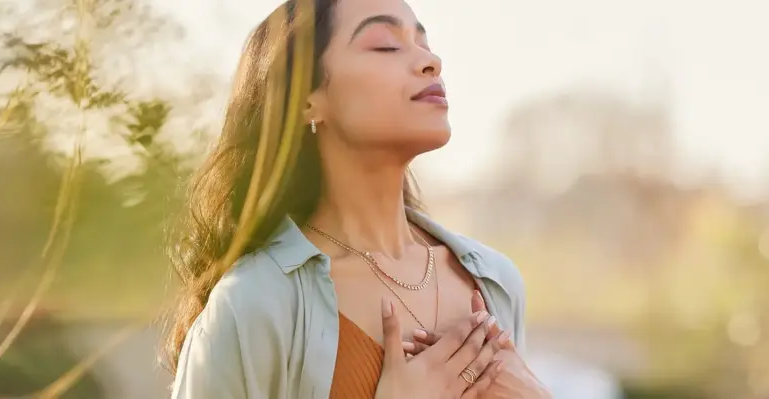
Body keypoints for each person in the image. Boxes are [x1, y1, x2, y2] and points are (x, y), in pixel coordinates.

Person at [163, 0, 551, 397]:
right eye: (386, 45)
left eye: (423, 41)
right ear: (306, 99)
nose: (430, 60)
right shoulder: (253, 304)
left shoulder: (496, 281)